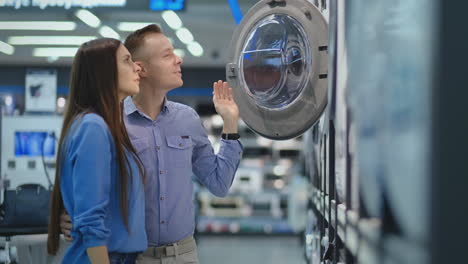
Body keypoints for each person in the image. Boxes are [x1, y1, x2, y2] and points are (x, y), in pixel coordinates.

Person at [61, 24, 243, 264]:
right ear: (141, 68)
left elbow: (219, 184)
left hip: (184, 255)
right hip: (130, 256)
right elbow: (84, 187)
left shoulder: (187, 119)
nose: (178, 60)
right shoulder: (109, 123)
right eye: (167, 55)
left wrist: (230, 124)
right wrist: (68, 215)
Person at [48, 38, 147, 264]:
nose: (136, 67)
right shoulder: (93, 127)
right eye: (126, 60)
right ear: (104, 72)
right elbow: (91, 221)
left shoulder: (103, 126)